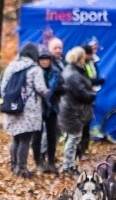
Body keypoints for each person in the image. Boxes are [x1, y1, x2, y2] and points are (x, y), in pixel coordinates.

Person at [0, 43, 48, 178]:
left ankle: (14, 166)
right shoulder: (35, 69)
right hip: (29, 111)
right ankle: (21, 169)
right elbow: (40, 88)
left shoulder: (11, 66)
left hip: (12, 108)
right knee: (25, 140)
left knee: (16, 138)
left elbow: (2, 89)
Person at [58, 46, 96, 177]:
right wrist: (92, 94)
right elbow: (81, 93)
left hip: (70, 108)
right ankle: (68, 165)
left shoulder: (70, 70)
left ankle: (69, 164)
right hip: (72, 110)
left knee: (73, 138)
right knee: (74, 138)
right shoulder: (73, 74)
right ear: (80, 58)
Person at [34, 46, 63, 174]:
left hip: (52, 108)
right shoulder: (35, 72)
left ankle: (51, 160)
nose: (45, 61)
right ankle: (39, 160)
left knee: (52, 135)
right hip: (38, 108)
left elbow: (64, 87)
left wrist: (57, 91)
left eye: (47, 59)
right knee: (37, 136)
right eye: (42, 59)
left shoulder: (56, 72)